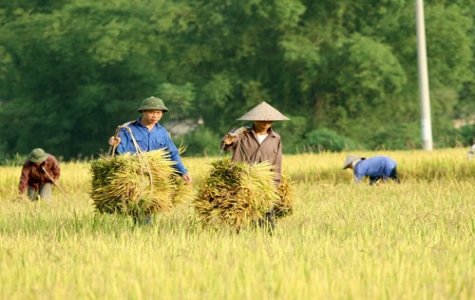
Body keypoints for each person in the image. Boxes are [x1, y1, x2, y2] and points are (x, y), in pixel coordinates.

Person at [108, 96, 193, 224]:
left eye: (158, 113)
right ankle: (141, 229)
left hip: (155, 175)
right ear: (143, 112)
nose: (155, 115)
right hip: (135, 173)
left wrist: (183, 172)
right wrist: (115, 143)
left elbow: (172, 153)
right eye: (152, 112)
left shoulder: (162, 132)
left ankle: (142, 230)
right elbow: (121, 152)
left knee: (149, 205)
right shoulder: (128, 129)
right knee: (139, 205)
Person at [221, 101, 289, 232]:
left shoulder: (276, 138)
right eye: (262, 121)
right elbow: (225, 147)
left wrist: (275, 185)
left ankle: (267, 240)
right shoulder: (241, 134)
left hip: (265, 184)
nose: (266, 124)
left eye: (269, 121)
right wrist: (227, 142)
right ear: (254, 120)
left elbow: (277, 162)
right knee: (240, 216)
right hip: (242, 181)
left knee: (267, 219)